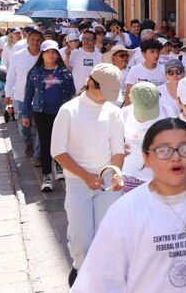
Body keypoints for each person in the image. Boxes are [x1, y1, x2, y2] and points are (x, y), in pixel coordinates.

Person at [71, 118, 186, 292]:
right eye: (163, 150)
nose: (176, 157)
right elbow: (97, 281)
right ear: (146, 158)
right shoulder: (125, 211)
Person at [50, 63, 126, 287]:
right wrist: (84, 176)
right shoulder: (69, 110)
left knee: (106, 235)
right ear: (91, 83)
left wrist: (117, 173)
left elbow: (117, 149)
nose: (107, 98)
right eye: (104, 91)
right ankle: (80, 272)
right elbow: (58, 151)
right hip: (77, 181)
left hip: (106, 182)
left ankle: (100, 281)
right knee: (81, 238)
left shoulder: (113, 112)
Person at [22, 40, 76, 192]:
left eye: (53, 52)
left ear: (58, 55)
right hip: (41, 113)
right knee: (45, 143)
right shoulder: (35, 73)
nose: (51, 55)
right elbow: (29, 95)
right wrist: (25, 113)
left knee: (61, 142)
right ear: (42, 54)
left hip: (61, 113)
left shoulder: (65, 73)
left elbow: (72, 92)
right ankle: (47, 175)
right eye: (47, 52)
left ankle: (59, 166)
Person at [120, 82, 176, 193]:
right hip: (130, 175)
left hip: (161, 176)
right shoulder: (122, 114)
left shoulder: (167, 112)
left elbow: (177, 140)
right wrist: (117, 148)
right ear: (131, 100)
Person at [5, 28, 43, 160]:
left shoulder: (45, 56)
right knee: (23, 126)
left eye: (38, 40)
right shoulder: (18, 55)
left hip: (40, 98)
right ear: (27, 40)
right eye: (32, 39)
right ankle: (28, 143)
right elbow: (11, 76)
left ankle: (38, 155)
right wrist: (7, 93)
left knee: (39, 127)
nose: (35, 42)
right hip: (21, 96)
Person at [125, 39, 166, 105]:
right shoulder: (134, 70)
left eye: (158, 52)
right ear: (143, 54)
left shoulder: (164, 70)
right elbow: (128, 96)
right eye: (152, 52)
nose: (156, 55)